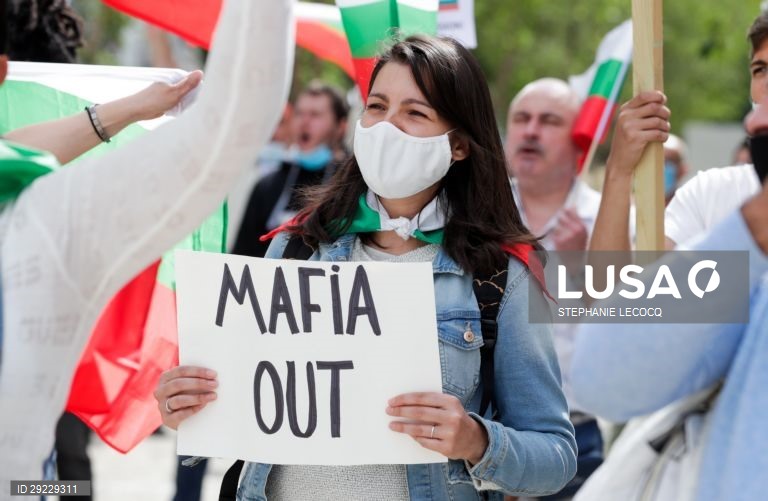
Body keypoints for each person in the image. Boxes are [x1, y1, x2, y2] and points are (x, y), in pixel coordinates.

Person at [155, 35, 577, 499]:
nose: (386, 127)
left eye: (414, 113)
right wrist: (189, 406)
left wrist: (476, 440)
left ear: (458, 145)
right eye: (377, 107)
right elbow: (246, 410)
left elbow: (554, 457)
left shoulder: (500, 278)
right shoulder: (297, 248)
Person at [0, 0, 294, 484]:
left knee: (68, 471)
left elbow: (231, 121)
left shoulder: (37, 222)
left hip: (35, 476)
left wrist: (135, 108)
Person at [570, 94, 768, 501]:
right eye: (761, 69)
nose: (759, 112)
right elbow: (613, 312)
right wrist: (620, 173)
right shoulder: (718, 195)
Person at [590, 11, 768, 253]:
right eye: (761, 69)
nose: (767, 84)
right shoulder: (710, 194)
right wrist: (619, 171)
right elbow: (616, 289)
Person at [505, 78, 603, 498]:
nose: (530, 131)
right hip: (488, 434)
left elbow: (633, 331)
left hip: (577, 438)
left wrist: (582, 269)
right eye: (521, 119)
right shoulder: (471, 214)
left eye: (549, 122)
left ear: (580, 139)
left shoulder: (614, 220)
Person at [231, 82, 349, 258]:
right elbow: (242, 254)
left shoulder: (352, 186)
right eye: (299, 113)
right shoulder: (267, 185)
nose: (305, 122)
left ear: (340, 126)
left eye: (315, 115)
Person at [662, 133, 689, 205]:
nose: (662, 167)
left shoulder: (691, 209)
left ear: (683, 169)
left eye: (669, 161)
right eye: (656, 161)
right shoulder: (632, 209)